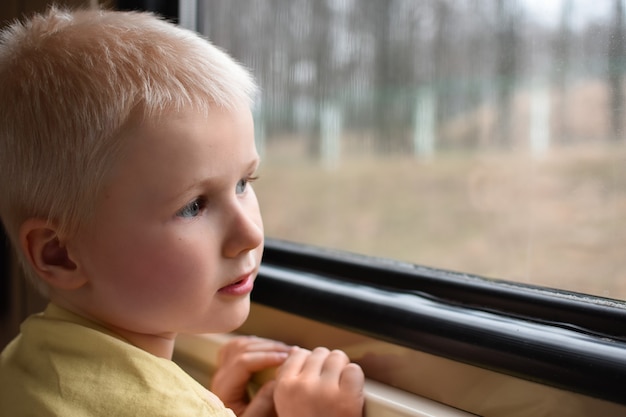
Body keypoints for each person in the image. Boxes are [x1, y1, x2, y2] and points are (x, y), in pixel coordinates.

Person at [0, 7, 364, 417]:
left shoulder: (22, 365)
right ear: (59, 254)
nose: (250, 235)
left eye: (244, 183)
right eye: (193, 206)